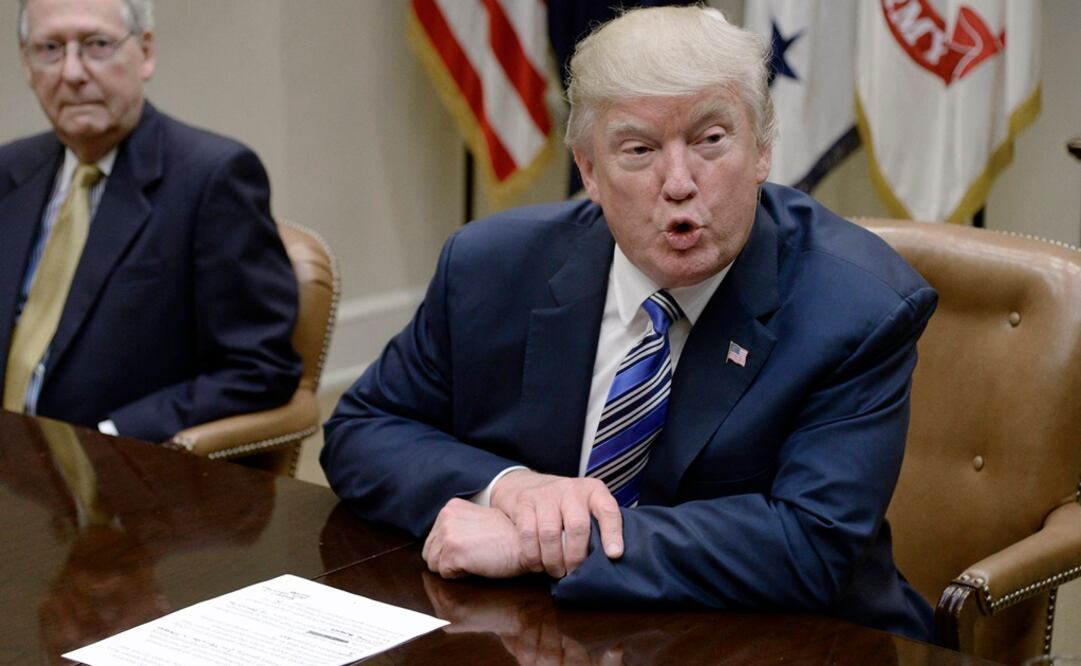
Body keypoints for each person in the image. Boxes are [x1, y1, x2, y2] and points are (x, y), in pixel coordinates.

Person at [322, 6, 937, 641]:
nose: (678, 183)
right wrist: (510, 490)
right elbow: (363, 431)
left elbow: (810, 546)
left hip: (796, 644)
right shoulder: (491, 267)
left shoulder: (858, 307)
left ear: (762, 150)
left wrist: (554, 542)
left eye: (711, 141)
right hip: (544, 637)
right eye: (639, 149)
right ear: (589, 171)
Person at [0, 0, 301, 441]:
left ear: (145, 52)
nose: (72, 72)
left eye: (97, 45)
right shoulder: (10, 170)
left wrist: (111, 436)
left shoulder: (213, 178)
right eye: (49, 48)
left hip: (108, 481)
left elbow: (259, 369)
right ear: (27, 64)